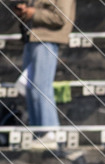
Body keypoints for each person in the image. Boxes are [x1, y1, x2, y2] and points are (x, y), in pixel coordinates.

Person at [15, 0, 75, 151]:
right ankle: (38, 132)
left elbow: (61, 18)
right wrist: (25, 11)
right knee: (31, 88)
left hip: (47, 39)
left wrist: (34, 13)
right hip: (32, 38)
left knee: (41, 86)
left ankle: (50, 131)